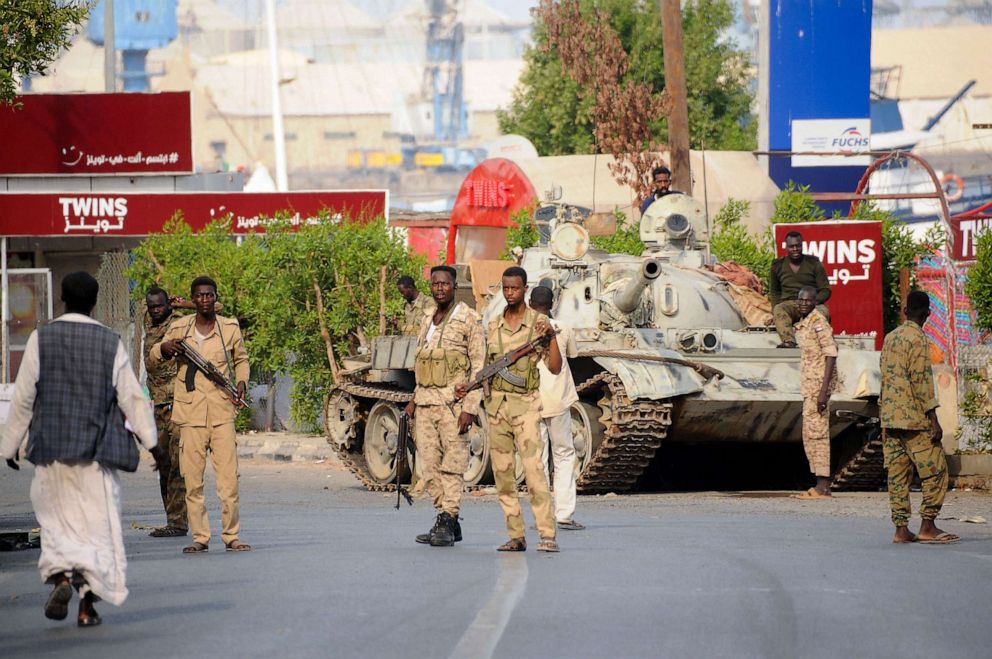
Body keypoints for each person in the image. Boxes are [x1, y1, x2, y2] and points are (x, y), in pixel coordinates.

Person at [0, 272, 159, 628]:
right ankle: (87, 607)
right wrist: (152, 444)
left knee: (55, 523)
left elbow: (24, 397)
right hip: (96, 456)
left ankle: (59, 579)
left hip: (51, 451)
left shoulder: (41, 339)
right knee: (95, 532)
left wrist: (9, 445)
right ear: (95, 301)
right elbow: (132, 397)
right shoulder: (109, 343)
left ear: (61, 298)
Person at [148, 276, 251, 554]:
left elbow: (241, 359)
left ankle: (231, 535)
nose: (205, 300)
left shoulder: (228, 327)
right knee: (192, 481)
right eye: (200, 296)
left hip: (221, 411)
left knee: (229, 481)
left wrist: (241, 382)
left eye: (209, 295)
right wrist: (165, 348)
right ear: (193, 300)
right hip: (190, 414)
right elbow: (153, 355)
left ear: (214, 298)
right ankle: (200, 537)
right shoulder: (180, 327)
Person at [469, 266, 561, 553]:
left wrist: (553, 337)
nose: (510, 293)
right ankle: (516, 535)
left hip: (526, 408)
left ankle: (547, 535)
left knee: (534, 473)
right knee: (503, 475)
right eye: (506, 288)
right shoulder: (494, 325)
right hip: (497, 408)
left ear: (525, 289)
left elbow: (555, 367)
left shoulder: (538, 324)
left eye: (515, 288)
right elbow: (486, 367)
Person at [404, 265, 485, 547]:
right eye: (435, 284)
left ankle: (449, 517)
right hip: (425, 402)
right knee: (429, 466)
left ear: (454, 286)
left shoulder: (468, 319)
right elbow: (423, 361)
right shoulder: (427, 318)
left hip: (453, 405)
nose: (440, 288)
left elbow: (479, 367)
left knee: (452, 466)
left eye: (445, 284)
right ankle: (444, 517)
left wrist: (470, 408)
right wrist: (414, 400)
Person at [879, 290, 959, 545]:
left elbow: (884, 377)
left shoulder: (890, 338)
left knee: (898, 476)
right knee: (936, 471)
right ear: (926, 314)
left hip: (890, 419)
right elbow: (922, 382)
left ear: (905, 311)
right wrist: (933, 419)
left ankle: (901, 529)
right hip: (914, 419)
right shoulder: (919, 340)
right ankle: (927, 525)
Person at [529, 286, 584, 530]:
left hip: (531, 400)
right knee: (563, 455)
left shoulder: (522, 329)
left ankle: (541, 515)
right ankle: (564, 514)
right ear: (553, 303)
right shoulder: (563, 328)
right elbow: (571, 354)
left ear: (530, 302)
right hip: (558, 399)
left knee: (537, 459)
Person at [143, 287, 189, 538]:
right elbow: (145, 305)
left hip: (176, 404)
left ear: (168, 305)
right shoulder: (148, 320)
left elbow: (216, 308)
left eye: (161, 306)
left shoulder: (179, 323)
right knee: (163, 464)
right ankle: (172, 518)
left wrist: (184, 304)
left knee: (177, 465)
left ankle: (179, 522)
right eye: (152, 307)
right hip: (157, 406)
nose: (156, 310)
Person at [792, 286, 838, 500]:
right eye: (800, 300)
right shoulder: (804, 323)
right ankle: (819, 485)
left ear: (814, 302)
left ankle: (823, 486)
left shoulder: (818, 322)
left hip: (817, 387)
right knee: (810, 434)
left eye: (807, 300)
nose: (803, 303)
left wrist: (823, 392)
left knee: (818, 435)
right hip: (809, 387)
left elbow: (831, 355)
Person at [768, 231, 831, 348]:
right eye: (792, 246)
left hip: (812, 304)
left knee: (823, 313)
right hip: (790, 303)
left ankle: (816, 340)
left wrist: (812, 302)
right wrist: (774, 313)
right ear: (786, 247)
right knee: (779, 309)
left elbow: (825, 290)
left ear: (802, 246)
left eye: (798, 246)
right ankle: (789, 341)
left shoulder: (814, 263)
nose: (795, 249)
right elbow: (775, 292)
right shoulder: (777, 265)